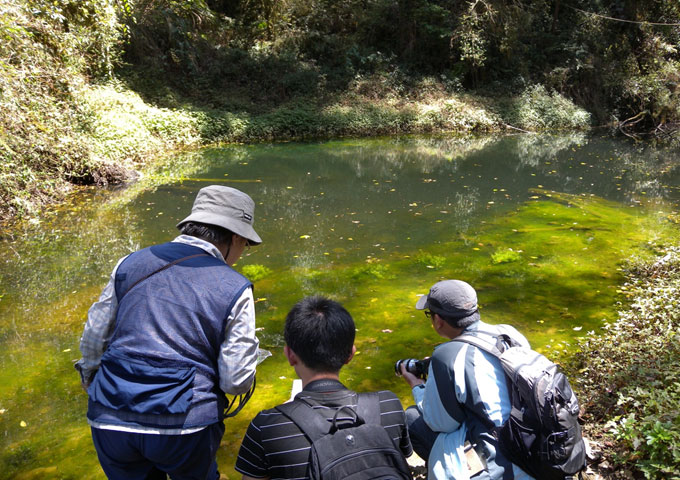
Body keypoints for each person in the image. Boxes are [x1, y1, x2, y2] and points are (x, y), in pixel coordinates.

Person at [75, 185, 263, 480]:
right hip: (185, 426)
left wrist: (91, 381)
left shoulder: (129, 263)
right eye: (245, 246)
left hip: (109, 417)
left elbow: (95, 337)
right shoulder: (234, 287)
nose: (241, 254)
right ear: (236, 237)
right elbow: (235, 381)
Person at [235, 296, 413, 480]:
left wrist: (286, 416)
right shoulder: (389, 405)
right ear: (350, 354)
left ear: (289, 355)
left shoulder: (267, 427)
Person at [399, 279, 535, 480]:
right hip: (532, 444)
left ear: (438, 320)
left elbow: (440, 424)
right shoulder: (509, 333)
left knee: (412, 418)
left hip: (498, 464)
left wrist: (418, 386)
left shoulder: (446, 356)